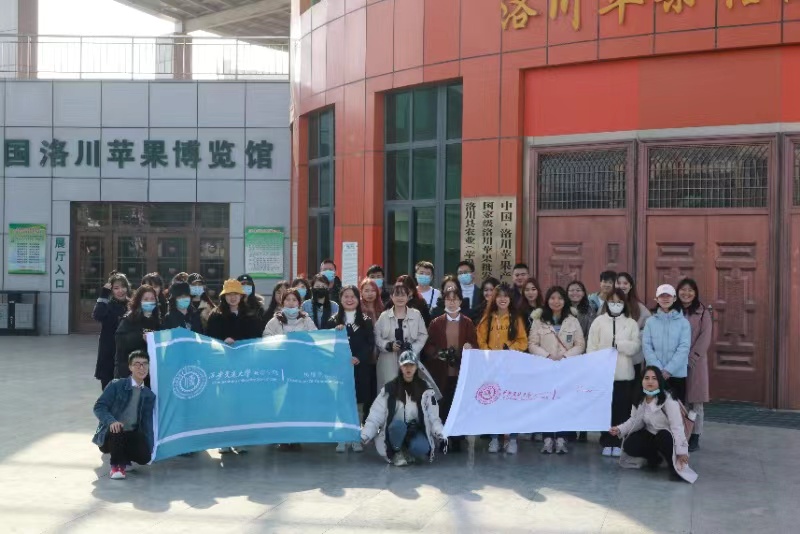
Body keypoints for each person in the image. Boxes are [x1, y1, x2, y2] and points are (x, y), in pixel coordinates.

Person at [610, 366, 697, 483]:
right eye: (646, 378)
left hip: (668, 437)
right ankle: (655, 458)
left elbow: (677, 427)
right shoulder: (641, 398)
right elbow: (634, 420)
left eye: (654, 378)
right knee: (630, 444)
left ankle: (673, 467)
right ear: (642, 381)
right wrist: (619, 429)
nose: (650, 381)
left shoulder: (669, 400)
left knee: (663, 436)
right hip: (651, 434)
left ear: (659, 381)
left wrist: (682, 452)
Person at [528, 286, 586, 455]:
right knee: (546, 403)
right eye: (552, 298)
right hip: (545, 368)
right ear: (547, 300)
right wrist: (547, 356)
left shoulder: (572, 320)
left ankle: (561, 438)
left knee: (564, 403)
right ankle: (547, 438)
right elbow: (532, 344)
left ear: (564, 301)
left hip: (566, 369)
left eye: (560, 298)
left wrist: (565, 357)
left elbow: (580, 344)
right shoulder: (539, 320)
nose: (556, 301)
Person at [361, 351, 445, 466]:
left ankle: (407, 451)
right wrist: (366, 434)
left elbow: (433, 417)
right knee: (398, 425)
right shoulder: (390, 388)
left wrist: (440, 432)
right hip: (395, 430)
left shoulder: (425, 388)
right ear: (400, 367)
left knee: (422, 447)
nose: (408, 368)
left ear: (416, 367)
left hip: (414, 430)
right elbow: (376, 415)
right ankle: (396, 452)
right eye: (405, 365)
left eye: (411, 365)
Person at [422, 288, 478, 452]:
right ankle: (443, 437)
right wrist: (437, 353)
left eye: (455, 299)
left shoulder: (467, 322)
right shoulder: (436, 323)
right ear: (444, 301)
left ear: (460, 301)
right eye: (448, 299)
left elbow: (475, 344)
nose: (452, 302)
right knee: (443, 405)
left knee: (459, 405)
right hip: (441, 371)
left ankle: (458, 439)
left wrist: (469, 346)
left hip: (460, 371)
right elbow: (428, 345)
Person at [587, 289, 641, 457]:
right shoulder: (598, 322)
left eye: (619, 302)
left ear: (624, 304)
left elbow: (636, 347)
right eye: (612, 301)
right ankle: (606, 440)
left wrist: (620, 344)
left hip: (624, 374)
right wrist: (596, 366)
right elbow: (591, 347)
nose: (615, 305)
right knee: (605, 409)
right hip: (603, 374)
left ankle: (618, 441)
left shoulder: (631, 323)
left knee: (622, 409)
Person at [476, 283, 528, 454]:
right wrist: (489, 354)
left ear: (510, 299)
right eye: (499, 296)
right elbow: (481, 340)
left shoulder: (515, 318)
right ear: (494, 299)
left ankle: (512, 439)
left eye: (506, 296)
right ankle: (494, 438)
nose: (503, 299)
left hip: (511, 368)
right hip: (492, 368)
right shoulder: (487, 319)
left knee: (511, 403)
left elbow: (523, 341)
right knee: (493, 403)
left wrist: (510, 348)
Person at [92, 350, 156, 480]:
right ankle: (117, 466)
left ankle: (125, 458)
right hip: (111, 434)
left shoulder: (148, 394)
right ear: (130, 367)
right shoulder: (116, 385)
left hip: (130, 434)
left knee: (145, 457)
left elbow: (147, 423)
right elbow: (99, 407)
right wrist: (111, 421)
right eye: (137, 364)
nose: (141, 367)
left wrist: (150, 447)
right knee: (118, 428)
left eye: (145, 364)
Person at [328, 285, 376, 453]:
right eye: (346, 296)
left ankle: (355, 437)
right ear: (340, 299)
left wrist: (359, 358)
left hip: (360, 368)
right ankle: (342, 438)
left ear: (358, 299)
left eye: (353, 296)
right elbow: (328, 345)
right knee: (341, 402)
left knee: (358, 404)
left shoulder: (366, 320)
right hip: (340, 369)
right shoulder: (333, 321)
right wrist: (336, 333)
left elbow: (370, 344)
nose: (349, 300)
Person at [677, 278, 712, 452]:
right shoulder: (672, 310)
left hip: (695, 363)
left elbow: (705, 338)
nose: (686, 293)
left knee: (695, 402)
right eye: (683, 289)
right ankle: (680, 434)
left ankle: (695, 436)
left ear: (695, 293)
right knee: (679, 400)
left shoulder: (703, 312)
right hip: (675, 362)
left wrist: (691, 358)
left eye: (690, 290)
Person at [374, 283, 429, 388]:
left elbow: (423, 335)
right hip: (388, 363)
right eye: (397, 295)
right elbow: (377, 336)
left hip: (410, 361)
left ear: (408, 297)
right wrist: (388, 345)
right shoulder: (384, 316)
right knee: (389, 392)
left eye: (403, 295)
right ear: (391, 297)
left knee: (410, 391)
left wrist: (412, 348)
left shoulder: (416, 314)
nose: (400, 298)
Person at [643, 284, 691, 403]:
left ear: (674, 298)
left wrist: (669, 370)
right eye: (661, 296)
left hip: (676, 374)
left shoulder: (683, 323)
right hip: (654, 375)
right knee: (654, 408)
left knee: (676, 408)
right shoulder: (650, 322)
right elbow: (647, 346)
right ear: (656, 299)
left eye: (668, 296)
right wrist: (658, 369)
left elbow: (684, 348)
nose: (665, 299)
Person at [93, 271, 130, 391]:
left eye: (123, 287)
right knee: (108, 391)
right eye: (116, 288)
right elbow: (97, 315)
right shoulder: (107, 305)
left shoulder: (131, 305)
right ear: (111, 291)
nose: (121, 291)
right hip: (109, 355)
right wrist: (104, 295)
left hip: (126, 356)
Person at [115, 285, 161, 381]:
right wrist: (141, 337)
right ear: (139, 301)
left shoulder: (157, 320)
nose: (149, 302)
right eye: (146, 299)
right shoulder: (129, 318)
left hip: (149, 372)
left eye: (152, 299)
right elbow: (120, 340)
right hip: (129, 371)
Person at [616, 272, 651, 378]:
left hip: (633, 358)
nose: (622, 286)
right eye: (618, 283)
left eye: (625, 283)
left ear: (630, 286)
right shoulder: (607, 305)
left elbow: (649, 329)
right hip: (613, 357)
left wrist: (634, 338)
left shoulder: (639, 307)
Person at [206, 279, 262, 345]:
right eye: (229, 294)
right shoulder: (215, 315)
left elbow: (256, 338)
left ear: (241, 296)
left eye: (236, 294)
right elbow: (210, 337)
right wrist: (223, 340)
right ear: (224, 296)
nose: (233, 297)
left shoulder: (250, 316)